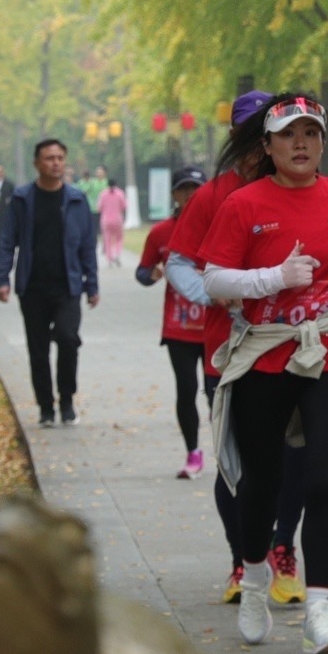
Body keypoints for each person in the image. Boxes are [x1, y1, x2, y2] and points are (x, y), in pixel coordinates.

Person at [196, 95, 328, 654]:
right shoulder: (244, 203)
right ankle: (256, 577)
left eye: (311, 133)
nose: (301, 144)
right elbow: (214, 280)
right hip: (265, 352)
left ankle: (319, 610)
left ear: (323, 141)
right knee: (261, 481)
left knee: (321, 477)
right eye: (288, 135)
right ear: (268, 146)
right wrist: (273, 278)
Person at [167, 90, 313, 610]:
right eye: (251, 132)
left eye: (268, 129)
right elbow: (179, 264)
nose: (261, 142)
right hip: (227, 351)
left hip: (297, 347)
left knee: (295, 458)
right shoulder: (215, 195)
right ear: (237, 137)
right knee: (240, 461)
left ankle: (283, 550)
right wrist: (221, 292)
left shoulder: (301, 187)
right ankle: (240, 557)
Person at [0, 138, 100, 427]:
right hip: (33, 286)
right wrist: (3, 279)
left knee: (68, 339)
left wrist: (92, 284)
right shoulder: (22, 199)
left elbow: (87, 245)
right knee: (38, 349)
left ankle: (66, 399)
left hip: (68, 286)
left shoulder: (77, 199)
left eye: (60, 158)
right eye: (49, 158)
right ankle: (45, 406)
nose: (55, 163)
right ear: (36, 163)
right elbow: (7, 241)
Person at [136, 166, 210, 477]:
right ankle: (193, 453)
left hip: (216, 326)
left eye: (196, 188)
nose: (190, 195)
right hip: (178, 328)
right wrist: (151, 275)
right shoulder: (161, 232)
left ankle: (229, 452)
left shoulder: (222, 225)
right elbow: (142, 270)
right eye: (184, 189)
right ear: (174, 195)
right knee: (187, 389)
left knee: (218, 392)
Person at [99, 176, 128, 271]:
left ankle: (109, 259)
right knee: (119, 238)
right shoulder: (120, 193)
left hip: (106, 220)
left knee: (107, 239)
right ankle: (117, 254)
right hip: (117, 220)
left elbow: (99, 207)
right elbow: (124, 206)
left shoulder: (103, 194)